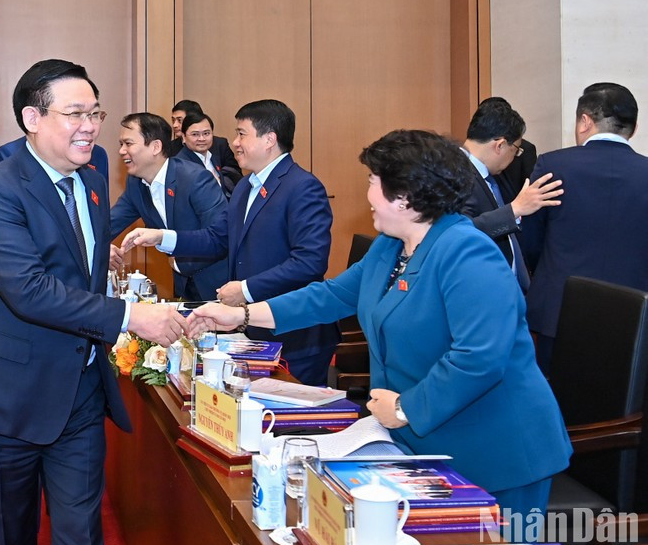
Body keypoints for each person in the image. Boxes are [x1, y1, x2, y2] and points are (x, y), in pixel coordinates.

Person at [187, 129, 572, 517]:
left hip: (495, 450)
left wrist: (406, 408)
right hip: (421, 441)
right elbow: (331, 296)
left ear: (405, 196)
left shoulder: (467, 251)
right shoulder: (391, 245)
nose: (367, 193)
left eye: (373, 182)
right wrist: (241, 314)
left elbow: (479, 357)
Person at [0, 59, 188, 545]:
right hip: (3, 401)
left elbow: (82, 274)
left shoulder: (94, 182)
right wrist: (130, 316)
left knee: (82, 541)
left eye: (95, 112)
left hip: (77, 392)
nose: (90, 126)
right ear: (33, 118)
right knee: (10, 544)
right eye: (74, 113)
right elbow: (29, 289)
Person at [123, 99, 339, 386]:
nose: (234, 143)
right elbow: (216, 239)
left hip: (295, 333)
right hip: (252, 329)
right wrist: (163, 237)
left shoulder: (302, 187)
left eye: (241, 134)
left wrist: (245, 289)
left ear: (269, 139)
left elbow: (310, 262)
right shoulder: (245, 187)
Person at [522, 82, 648, 373]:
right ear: (634, 127)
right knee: (624, 406)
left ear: (584, 121)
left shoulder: (552, 166)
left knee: (559, 404)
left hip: (559, 309)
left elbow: (531, 241)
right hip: (636, 313)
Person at [110, 112, 228, 301]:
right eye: (121, 144)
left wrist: (163, 240)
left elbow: (220, 237)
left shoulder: (195, 179)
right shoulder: (136, 183)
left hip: (220, 285)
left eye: (128, 144)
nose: (122, 151)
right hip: (184, 286)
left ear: (156, 146)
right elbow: (108, 224)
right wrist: (97, 248)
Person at [461, 97, 563, 292]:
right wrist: (514, 209)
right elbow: (458, 231)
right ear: (499, 145)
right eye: (515, 150)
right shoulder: (454, 172)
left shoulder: (484, 175)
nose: (515, 157)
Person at [167, 100, 242, 182]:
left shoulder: (219, 145)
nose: (174, 125)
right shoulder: (171, 150)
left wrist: (219, 180)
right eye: (173, 120)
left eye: (179, 120)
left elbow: (235, 174)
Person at [174, 110, 243, 198]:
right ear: (184, 137)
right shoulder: (181, 165)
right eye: (195, 134)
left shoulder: (212, 156)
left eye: (206, 133)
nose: (202, 138)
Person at [0, 135, 110, 181]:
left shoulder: (98, 154)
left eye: (94, 114)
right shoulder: (9, 152)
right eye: (75, 114)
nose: (88, 126)